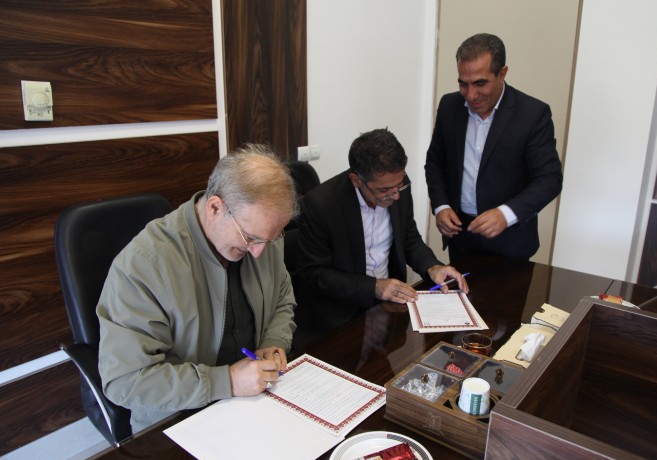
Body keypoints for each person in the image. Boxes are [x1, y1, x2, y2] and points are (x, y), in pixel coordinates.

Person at [97, 145, 298, 433]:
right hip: (178, 420)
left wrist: (273, 340)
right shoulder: (144, 264)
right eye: (250, 238)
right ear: (215, 208)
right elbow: (125, 381)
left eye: (272, 238)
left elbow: (282, 297)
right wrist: (227, 382)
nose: (259, 252)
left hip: (254, 400)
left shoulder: (262, 234)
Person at [294, 128, 468, 334]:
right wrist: (373, 287)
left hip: (389, 307)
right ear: (356, 180)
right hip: (340, 315)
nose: (395, 196)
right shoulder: (321, 205)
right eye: (384, 190)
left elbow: (408, 237)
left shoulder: (397, 185)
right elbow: (313, 274)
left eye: (398, 186)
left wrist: (432, 266)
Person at [425, 33, 563, 263]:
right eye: (463, 83)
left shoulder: (532, 114)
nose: (471, 95)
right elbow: (435, 162)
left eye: (480, 83)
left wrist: (506, 214)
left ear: (502, 73)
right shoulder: (449, 106)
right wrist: (441, 206)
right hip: (461, 237)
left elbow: (549, 179)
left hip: (511, 241)